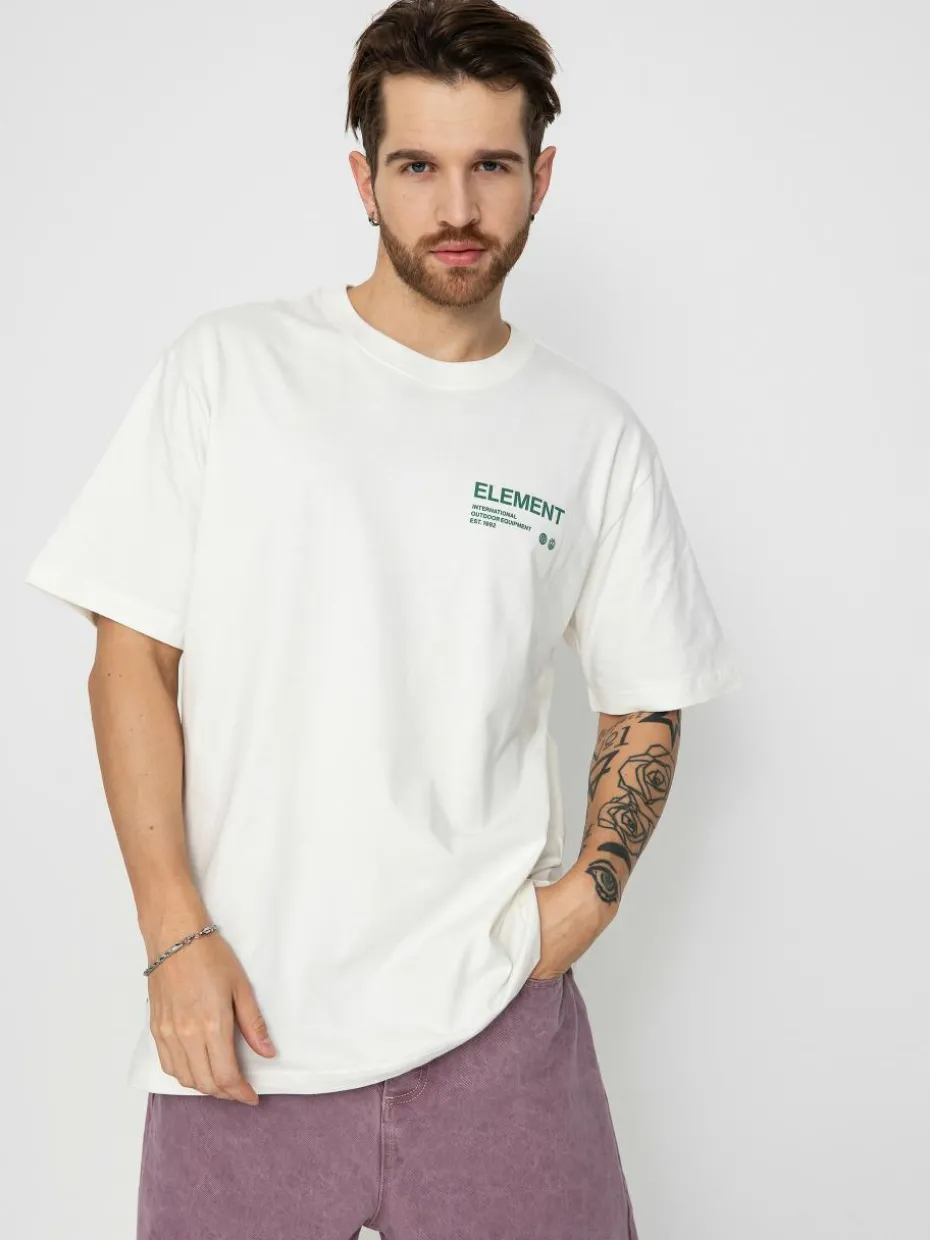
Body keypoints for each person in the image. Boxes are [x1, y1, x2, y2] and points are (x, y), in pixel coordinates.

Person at [23, 2, 742, 1237]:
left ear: (540, 179)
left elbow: (649, 693)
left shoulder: (589, 435)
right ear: (364, 179)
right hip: (241, 1028)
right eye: (417, 166)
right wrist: (172, 937)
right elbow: (129, 656)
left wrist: (584, 903)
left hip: (497, 1034)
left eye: (491, 166)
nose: (456, 206)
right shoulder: (231, 370)